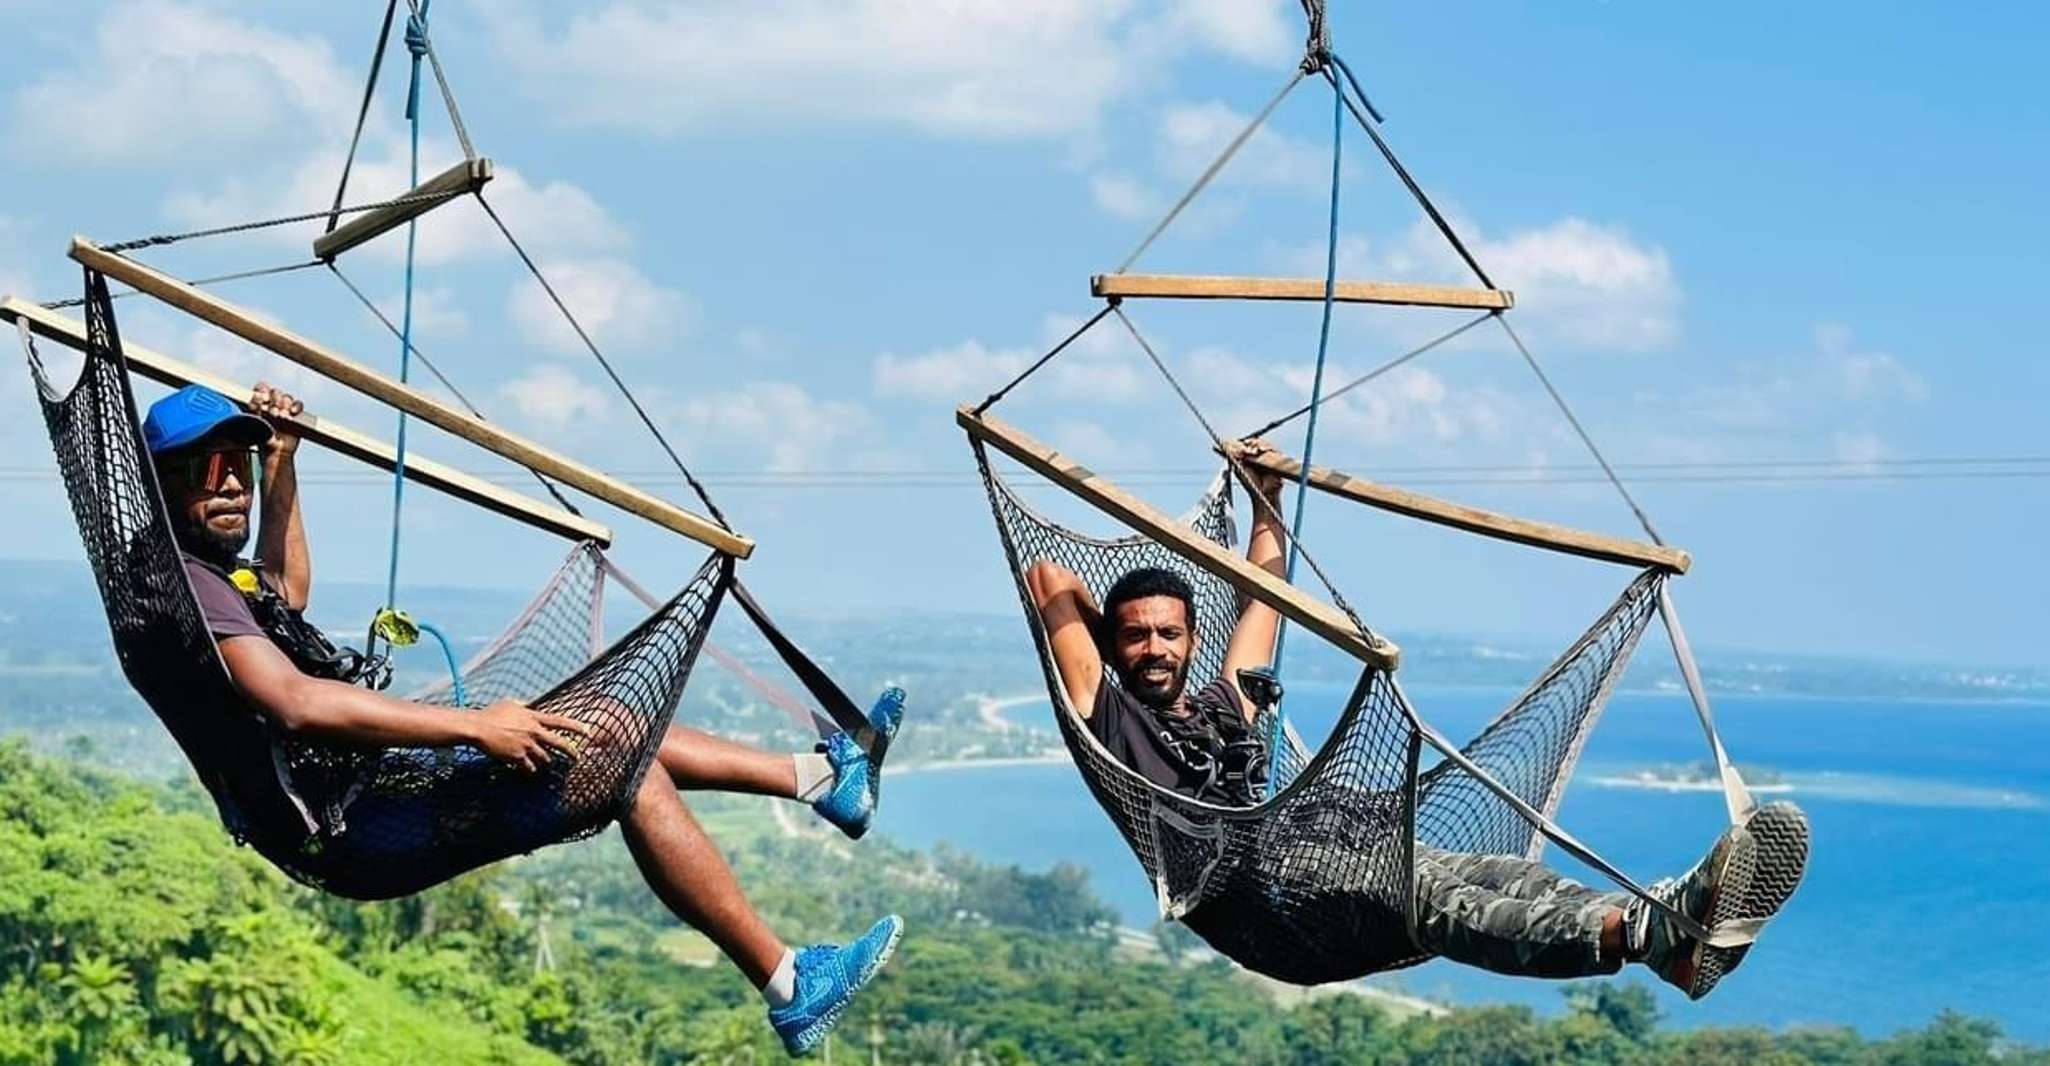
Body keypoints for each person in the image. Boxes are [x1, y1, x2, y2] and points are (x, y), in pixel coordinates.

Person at [143, 381, 898, 1055]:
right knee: (624, 772)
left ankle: (820, 779)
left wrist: (284, 466)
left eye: (236, 467)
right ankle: (790, 985)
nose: (228, 486)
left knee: (601, 719)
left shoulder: (207, 573)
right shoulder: (183, 581)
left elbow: (283, 593)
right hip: (352, 827)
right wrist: (477, 728)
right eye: (204, 473)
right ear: (160, 486)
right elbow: (296, 703)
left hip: (360, 800)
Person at [1023, 440, 1809, 999]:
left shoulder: (1227, 702)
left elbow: (1261, 598)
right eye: (1135, 636)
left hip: (1329, 842)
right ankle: (1648, 933)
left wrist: (1267, 501)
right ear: (1113, 646)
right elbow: (1049, 575)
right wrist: (1111, 643)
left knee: (1499, 875)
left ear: (1195, 641)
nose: (1154, 648)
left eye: (1169, 634)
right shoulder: (1113, 717)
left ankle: (1666, 930)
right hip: (1261, 896)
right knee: (1441, 904)